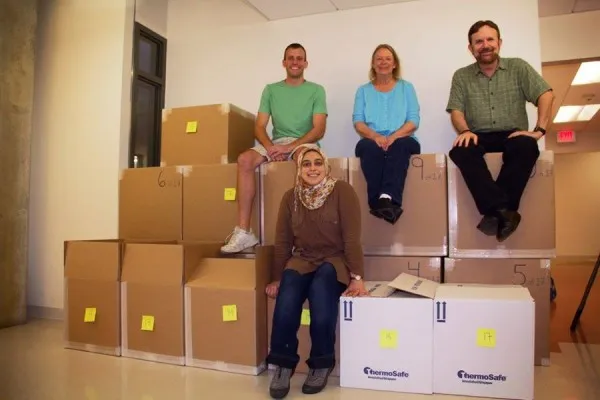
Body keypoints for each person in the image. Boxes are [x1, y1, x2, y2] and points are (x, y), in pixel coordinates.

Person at [265, 147, 368, 399]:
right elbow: (282, 241)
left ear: (326, 166)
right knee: (287, 299)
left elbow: (352, 237)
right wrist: (278, 276)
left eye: (317, 163)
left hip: (334, 260)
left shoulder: (342, 191)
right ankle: (283, 364)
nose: (313, 168)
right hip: (302, 259)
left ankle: (321, 363)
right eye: (306, 164)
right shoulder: (291, 197)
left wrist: (357, 277)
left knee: (321, 290)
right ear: (299, 169)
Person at [446, 20, 554, 242]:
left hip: (513, 134)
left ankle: (495, 212)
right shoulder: (461, 76)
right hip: (478, 134)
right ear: (471, 48)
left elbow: (546, 94)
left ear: (499, 42)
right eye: (478, 41)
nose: (485, 45)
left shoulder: (518, 67)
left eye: (489, 39)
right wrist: (465, 130)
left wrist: (539, 130)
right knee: (460, 150)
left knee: (526, 146)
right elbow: (456, 110)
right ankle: (505, 211)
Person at [221, 43, 328, 254]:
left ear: (306, 63)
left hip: (304, 142)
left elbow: (319, 129)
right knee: (244, 160)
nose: (295, 62)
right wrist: (270, 148)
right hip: (276, 143)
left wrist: (289, 148)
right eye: (291, 58)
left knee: (306, 163)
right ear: (284, 62)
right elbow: (259, 126)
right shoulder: (271, 90)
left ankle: (309, 233)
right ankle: (243, 232)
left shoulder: (316, 90)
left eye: (299, 58)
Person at [352, 44, 421, 225]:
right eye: (379, 59)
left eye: (388, 58)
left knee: (400, 145)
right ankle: (382, 203)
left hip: (403, 139)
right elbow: (358, 122)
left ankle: (384, 198)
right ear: (373, 64)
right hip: (372, 139)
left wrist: (394, 136)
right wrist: (375, 136)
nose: (383, 62)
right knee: (367, 147)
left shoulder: (407, 88)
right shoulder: (363, 91)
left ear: (394, 64)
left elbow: (413, 120)